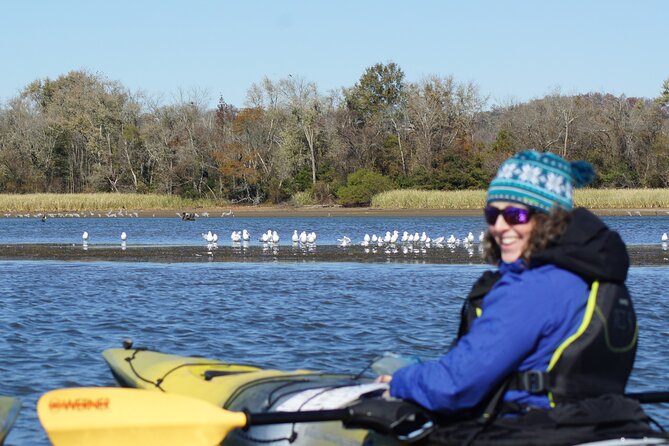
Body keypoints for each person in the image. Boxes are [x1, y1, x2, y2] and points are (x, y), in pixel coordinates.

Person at [376, 150, 641, 432]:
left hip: (523, 427)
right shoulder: (592, 276)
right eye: (492, 213)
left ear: (548, 219)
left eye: (516, 214)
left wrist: (402, 380)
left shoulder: (532, 288)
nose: (500, 226)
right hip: (582, 425)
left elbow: (454, 385)